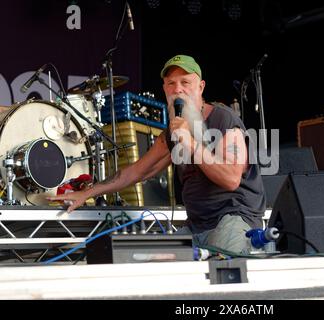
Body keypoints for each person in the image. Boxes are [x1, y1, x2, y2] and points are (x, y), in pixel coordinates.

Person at [48, 54, 266, 253]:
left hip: (233, 219)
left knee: (224, 274)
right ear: (164, 89)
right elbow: (137, 172)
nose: (178, 89)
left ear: (200, 87)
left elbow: (231, 179)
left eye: (185, 82)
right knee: (154, 262)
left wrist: (190, 142)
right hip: (197, 225)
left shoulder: (223, 119)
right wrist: (87, 193)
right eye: (171, 84)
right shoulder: (173, 131)